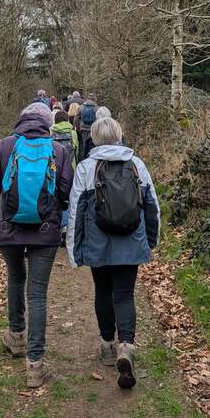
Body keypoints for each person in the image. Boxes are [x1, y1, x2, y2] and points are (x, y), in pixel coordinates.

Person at [66, 117, 160, 390]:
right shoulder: (136, 164)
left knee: (103, 291)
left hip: (98, 244)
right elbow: (152, 206)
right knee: (125, 294)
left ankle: (107, 345)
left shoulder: (86, 168)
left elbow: (76, 211)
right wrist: (150, 240)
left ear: (93, 138)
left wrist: (75, 250)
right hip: (131, 241)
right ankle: (126, 345)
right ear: (119, 135)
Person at [0, 104, 73, 387]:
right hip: (45, 232)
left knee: (14, 277)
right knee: (37, 295)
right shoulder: (58, 151)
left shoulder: (4, 145)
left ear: (21, 119)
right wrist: (55, 214)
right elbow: (65, 191)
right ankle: (35, 365)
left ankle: (17, 336)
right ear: (47, 123)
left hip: (9, 228)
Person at [50, 109, 79, 244]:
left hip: (52, 168)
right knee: (67, 198)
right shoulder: (73, 133)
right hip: (70, 169)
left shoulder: (50, 133)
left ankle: (53, 224)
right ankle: (65, 227)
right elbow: (77, 150)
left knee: (53, 195)